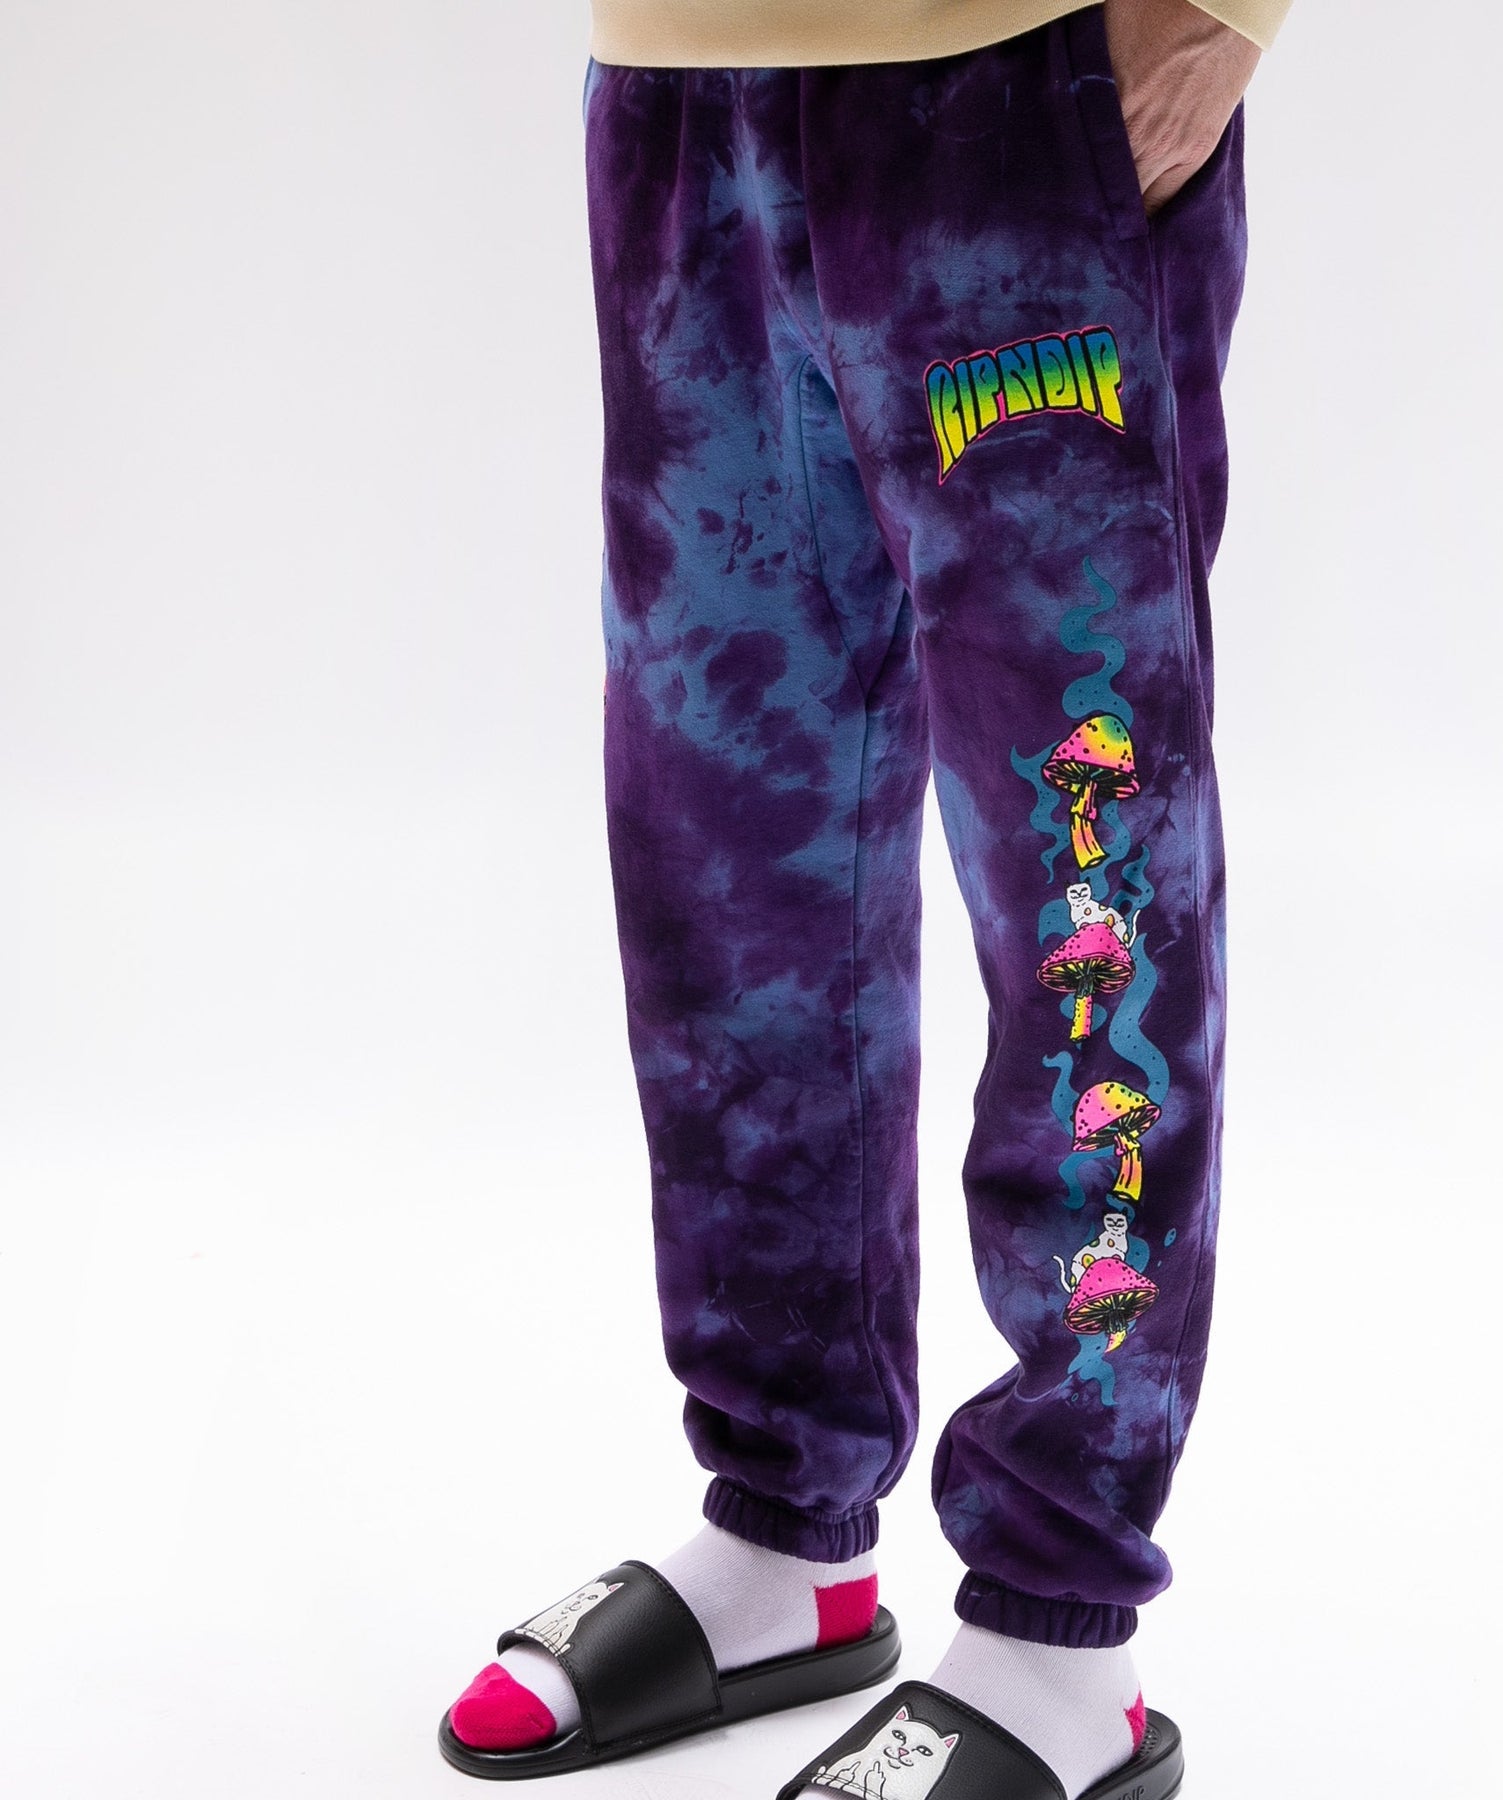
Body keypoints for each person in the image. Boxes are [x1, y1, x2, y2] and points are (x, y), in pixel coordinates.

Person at [439, 2, 1285, 1795]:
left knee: (1082, 865)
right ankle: (785, 1531)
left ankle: (1062, 1632)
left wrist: (1222, 9)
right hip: (683, 94)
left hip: (1014, 83)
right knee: (730, 859)